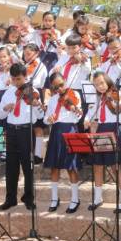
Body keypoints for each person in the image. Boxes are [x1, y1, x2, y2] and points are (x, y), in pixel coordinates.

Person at [0, 63, 44, 211]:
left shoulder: (33, 91)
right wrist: (5, 109)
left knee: (28, 166)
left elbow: (39, 117)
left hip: (25, 131)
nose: (16, 82)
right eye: (13, 79)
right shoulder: (8, 92)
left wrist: (36, 105)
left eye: (19, 79)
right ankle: (10, 199)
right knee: (11, 167)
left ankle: (28, 198)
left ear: (25, 77)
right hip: (11, 131)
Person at [84, 71, 121, 213]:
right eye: (97, 85)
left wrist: (118, 104)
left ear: (107, 81)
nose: (100, 87)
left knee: (115, 166)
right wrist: (87, 119)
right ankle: (98, 198)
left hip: (113, 130)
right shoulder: (99, 97)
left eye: (102, 83)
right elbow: (93, 112)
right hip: (101, 129)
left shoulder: (117, 94)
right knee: (97, 166)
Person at [43, 72, 82, 213]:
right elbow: (45, 118)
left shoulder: (75, 95)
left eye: (61, 85)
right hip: (56, 131)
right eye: (56, 87)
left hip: (70, 129)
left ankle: (75, 199)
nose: (60, 89)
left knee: (71, 167)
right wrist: (49, 119)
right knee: (54, 166)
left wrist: (73, 109)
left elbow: (79, 116)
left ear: (65, 81)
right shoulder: (53, 100)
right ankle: (54, 198)